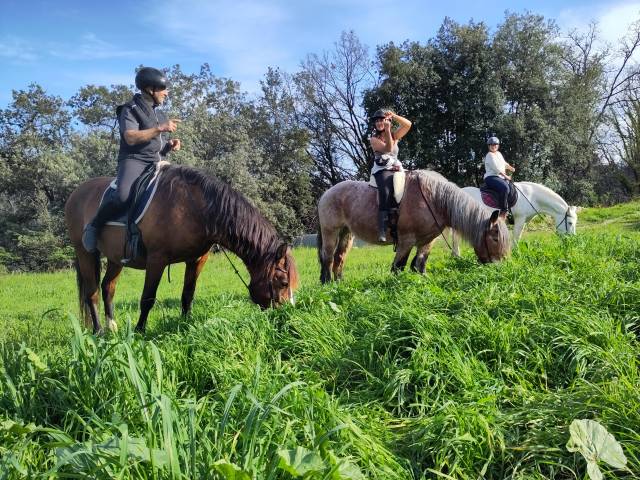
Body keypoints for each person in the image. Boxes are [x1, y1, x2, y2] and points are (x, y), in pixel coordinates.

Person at [82, 67, 182, 252]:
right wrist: (160, 128)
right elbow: (131, 137)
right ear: (149, 89)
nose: (166, 93)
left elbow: (155, 142)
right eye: (163, 89)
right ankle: (94, 225)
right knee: (123, 196)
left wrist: (169, 145)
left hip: (156, 161)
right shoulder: (129, 109)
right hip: (134, 160)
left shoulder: (159, 113)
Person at [369, 109, 412, 242]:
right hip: (382, 169)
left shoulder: (394, 135)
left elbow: (408, 124)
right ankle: (382, 228)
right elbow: (388, 148)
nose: (379, 123)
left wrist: (394, 115)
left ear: (386, 121)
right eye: (377, 121)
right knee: (386, 190)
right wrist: (387, 130)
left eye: (381, 120)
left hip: (397, 167)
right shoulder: (374, 139)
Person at [483, 136, 515, 219]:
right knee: (505, 188)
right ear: (489, 146)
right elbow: (496, 168)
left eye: (495, 144)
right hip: (491, 177)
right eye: (491, 145)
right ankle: (503, 211)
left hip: (500, 177)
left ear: (498, 145)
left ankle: (511, 210)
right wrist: (506, 176)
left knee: (512, 188)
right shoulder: (489, 155)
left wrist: (510, 168)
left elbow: (504, 163)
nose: (493, 146)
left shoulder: (499, 154)